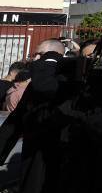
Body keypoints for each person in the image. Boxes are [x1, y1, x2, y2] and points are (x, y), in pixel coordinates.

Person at [0, 38, 67, 193]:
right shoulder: (33, 87)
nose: (36, 59)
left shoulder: (64, 82)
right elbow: (14, 123)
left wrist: (48, 61)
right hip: (31, 163)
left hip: (56, 164)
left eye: (40, 54)